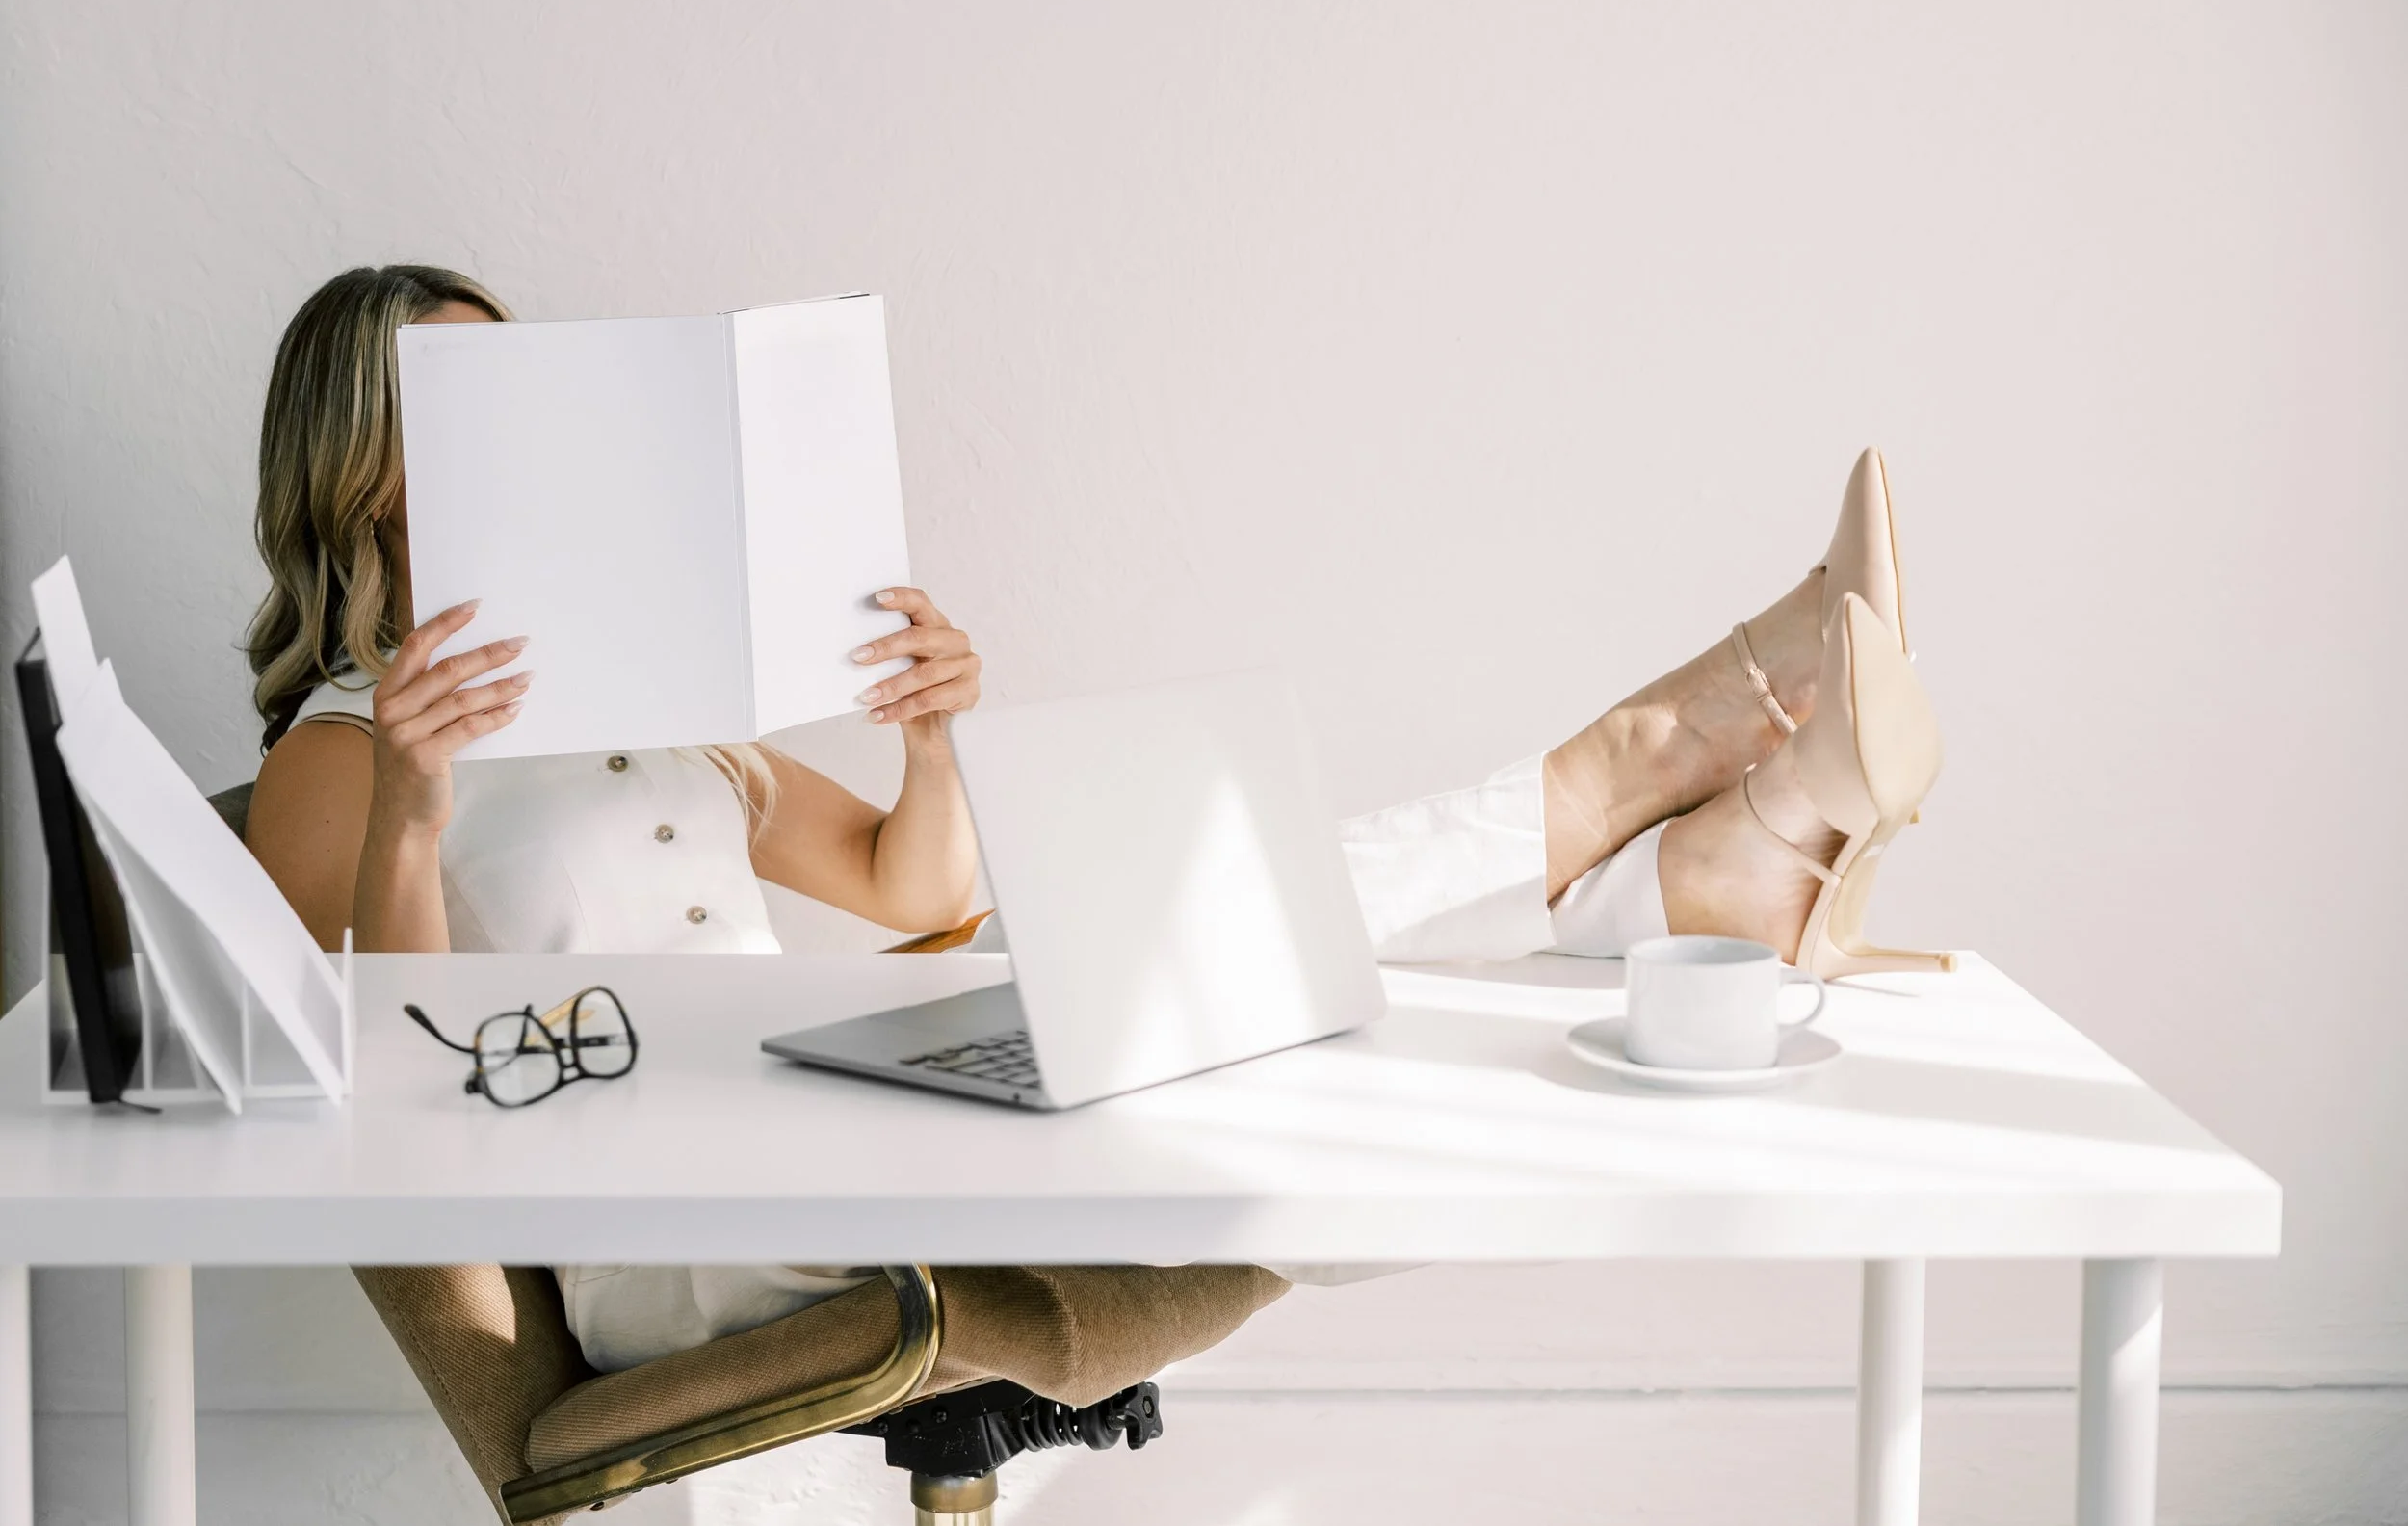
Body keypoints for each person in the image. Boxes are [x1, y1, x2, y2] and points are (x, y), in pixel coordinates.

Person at [243, 264, 1949, 1373]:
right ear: (363, 465)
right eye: (459, 409)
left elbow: (916, 888)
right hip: (680, 1235)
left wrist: (932, 734)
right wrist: (414, 799)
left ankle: (1696, 849)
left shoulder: (665, 711)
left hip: (815, 1127)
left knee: (1227, 945)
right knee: (1231, 986)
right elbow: (388, 1096)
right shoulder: (334, 753)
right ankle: (1692, 787)